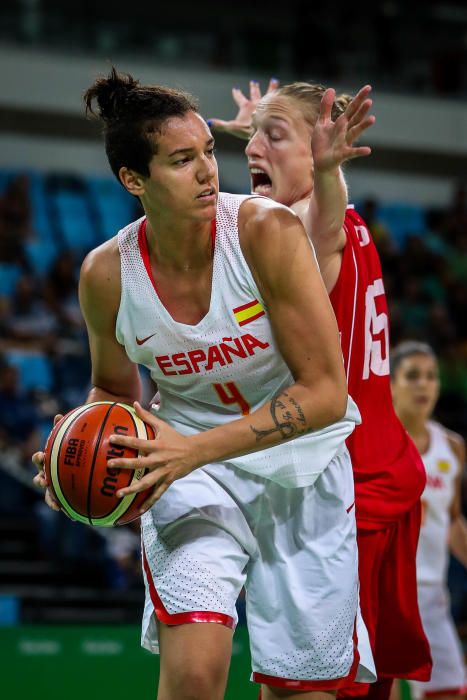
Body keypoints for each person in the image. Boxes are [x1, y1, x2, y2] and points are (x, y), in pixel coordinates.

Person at [33, 68, 376, 700]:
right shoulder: (106, 276)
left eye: (208, 153)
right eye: (181, 160)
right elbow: (112, 392)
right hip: (190, 472)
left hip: (302, 469)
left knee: (301, 693)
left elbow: (326, 394)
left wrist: (192, 449)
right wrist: (78, 455)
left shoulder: (265, 232)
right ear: (133, 180)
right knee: (192, 679)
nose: (207, 172)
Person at [209, 80, 432, 700]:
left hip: (350, 489)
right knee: (358, 682)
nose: (254, 147)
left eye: (273, 138)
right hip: (388, 473)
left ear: (320, 152)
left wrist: (326, 172)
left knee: (305, 682)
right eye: (253, 138)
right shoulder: (348, 220)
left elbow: (319, 220)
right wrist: (264, 132)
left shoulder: (307, 230)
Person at [391, 341, 467, 700]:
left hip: (432, 598)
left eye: (431, 376)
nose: (424, 385)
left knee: (450, 693)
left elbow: (452, 522)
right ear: (390, 383)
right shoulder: (373, 442)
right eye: (412, 376)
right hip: (381, 594)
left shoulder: (451, 447)